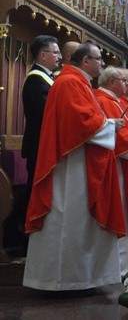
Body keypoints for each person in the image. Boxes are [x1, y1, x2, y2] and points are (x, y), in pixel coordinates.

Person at [24, 43, 125, 292]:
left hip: (78, 158)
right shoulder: (70, 82)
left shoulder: (76, 82)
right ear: (85, 61)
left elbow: (86, 119)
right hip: (71, 163)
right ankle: (64, 280)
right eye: (98, 58)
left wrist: (107, 124)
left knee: (75, 221)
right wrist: (110, 126)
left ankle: (77, 278)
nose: (102, 64)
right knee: (68, 220)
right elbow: (79, 122)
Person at [14, 35, 60, 255]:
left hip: (44, 146)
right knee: (34, 192)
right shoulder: (36, 81)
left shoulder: (47, 79)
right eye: (56, 53)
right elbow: (44, 116)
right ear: (43, 55)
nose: (60, 57)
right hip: (39, 146)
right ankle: (24, 241)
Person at [95, 66, 128, 270]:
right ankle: (122, 266)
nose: (127, 85)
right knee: (121, 214)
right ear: (111, 82)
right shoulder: (104, 101)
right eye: (123, 81)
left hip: (127, 164)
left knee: (126, 214)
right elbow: (120, 137)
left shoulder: (116, 102)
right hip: (117, 165)